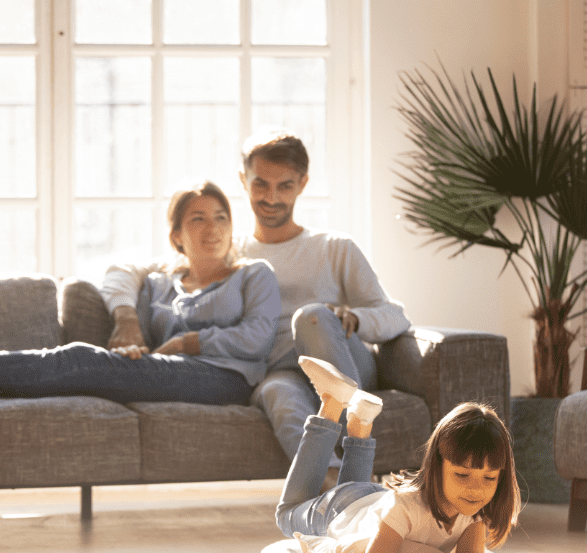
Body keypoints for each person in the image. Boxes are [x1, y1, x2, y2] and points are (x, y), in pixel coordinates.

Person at [101, 128, 411, 478]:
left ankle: (359, 436)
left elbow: (395, 316)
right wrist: (126, 317)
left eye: (286, 186)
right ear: (243, 181)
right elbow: (126, 270)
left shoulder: (334, 247)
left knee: (311, 318)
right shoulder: (230, 252)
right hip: (284, 370)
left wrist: (353, 317)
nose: (272, 197)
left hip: (340, 360)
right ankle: (338, 489)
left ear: (303, 184)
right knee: (277, 392)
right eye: (261, 184)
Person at [0, 181, 281, 406]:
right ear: (176, 235)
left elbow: (257, 338)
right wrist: (131, 333)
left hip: (225, 379)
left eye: (222, 218)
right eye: (199, 219)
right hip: (166, 372)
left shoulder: (253, 275)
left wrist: (190, 342)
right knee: (69, 380)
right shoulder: (157, 285)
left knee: (80, 359)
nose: (213, 229)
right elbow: (120, 278)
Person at [279, 356, 542, 553]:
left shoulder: (473, 507)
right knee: (286, 516)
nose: (476, 489)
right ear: (436, 466)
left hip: (369, 499)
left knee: (354, 494)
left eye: (489, 478)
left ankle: (360, 422)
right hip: (337, 510)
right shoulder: (406, 507)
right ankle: (332, 404)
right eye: (462, 474)